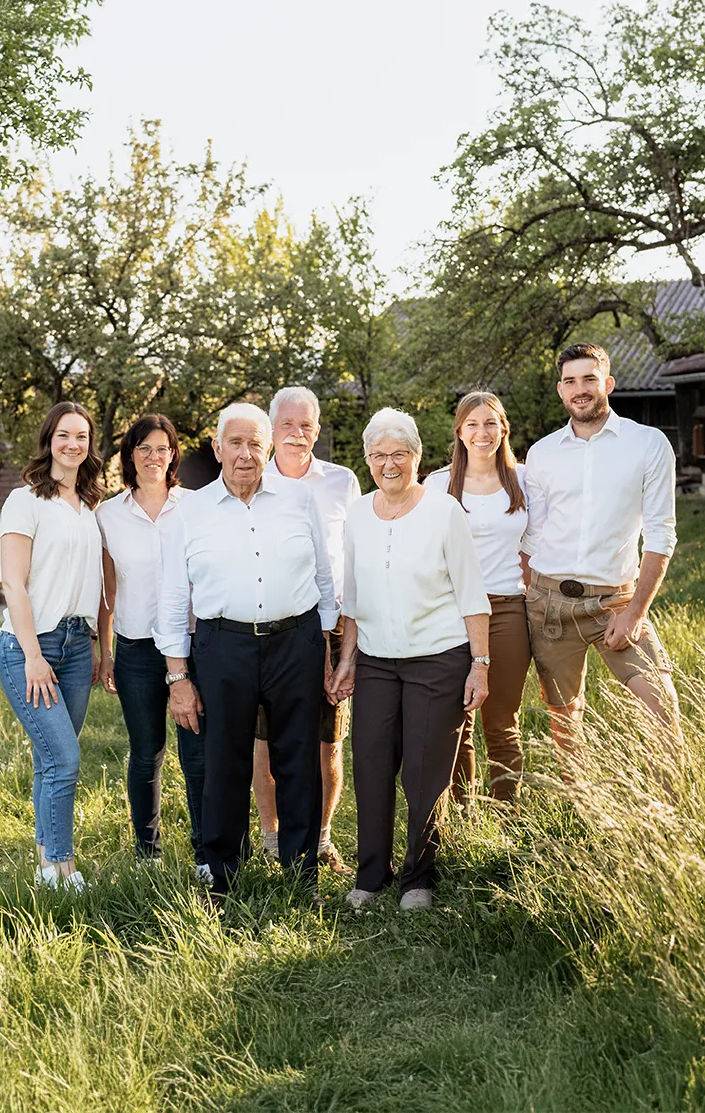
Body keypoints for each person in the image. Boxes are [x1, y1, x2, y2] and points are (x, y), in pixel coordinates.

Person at [154, 402, 338, 896]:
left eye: (255, 443)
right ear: (217, 448)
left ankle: (302, 877)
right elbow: (173, 598)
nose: (245, 453)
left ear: (269, 447)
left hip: (295, 642)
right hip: (221, 646)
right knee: (224, 762)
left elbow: (323, 577)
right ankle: (222, 877)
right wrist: (178, 677)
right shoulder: (188, 512)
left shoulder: (300, 500)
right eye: (234, 442)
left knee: (298, 760)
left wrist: (324, 645)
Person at [328, 408, 491, 912]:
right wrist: (347, 660)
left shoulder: (445, 511)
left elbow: (472, 594)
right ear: (368, 461)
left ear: (417, 458)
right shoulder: (358, 513)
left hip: (438, 661)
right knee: (372, 767)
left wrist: (479, 663)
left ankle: (419, 878)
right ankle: (371, 874)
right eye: (378, 456)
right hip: (376, 661)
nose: (389, 464)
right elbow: (352, 598)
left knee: (424, 773)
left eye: (399, 454)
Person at [520, 342, 682, 782]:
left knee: (660, 704)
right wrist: (533, 593)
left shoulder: (647, 444)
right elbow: (531, 535)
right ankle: (585, 807)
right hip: (550, 604)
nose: (580, 389)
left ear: (607, 383)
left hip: (616, 601)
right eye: (571, 381)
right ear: (560, 390)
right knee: (564, 719)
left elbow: (662, 533)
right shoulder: (542, 453)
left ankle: (666, 815)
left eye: (589, 379)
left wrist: (634, 612)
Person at [252, 386, 361, 875]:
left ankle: (320, 838)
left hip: (332, 626)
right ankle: (271, 838)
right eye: (288, 425)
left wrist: (348, 649)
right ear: (272, 431)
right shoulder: (250, 481)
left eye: (307, 425)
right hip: (269, 627)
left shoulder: (341, 482)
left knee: (327, 742)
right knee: (265, 742)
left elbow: (356, 561)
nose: (298, 434)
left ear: (318, 429)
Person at [0, 401, 103, 892]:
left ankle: (45, 863)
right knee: (65, 759)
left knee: (50, 760)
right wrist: (35, 657)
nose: (72, 444)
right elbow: (14, 586)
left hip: (78, 645)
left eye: (81, 436)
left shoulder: (90, 505)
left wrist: (100, 645)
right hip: (28, 648)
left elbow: (95, 582)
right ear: (49, 440)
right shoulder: (25, 500)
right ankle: (61, 867)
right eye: (64, 435)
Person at [96, 414, 210, 880]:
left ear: (173, 454)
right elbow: (107, 591)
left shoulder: (197, 506)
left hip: (194, 646)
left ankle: (206, 853)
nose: (153, 457)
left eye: (162, 448)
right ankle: (149, 852)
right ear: (129, 456)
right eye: (143, 448)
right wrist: (106, 653)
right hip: (137, 648)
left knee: (198, 752)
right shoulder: (108, 514)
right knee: (147, 751)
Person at [425, 392, 531, 805]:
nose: (482, 432)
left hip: (507, 608)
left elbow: (537, 544)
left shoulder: (523, 479)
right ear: (460, 432)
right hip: (451, 612)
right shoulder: (437, 484)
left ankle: (507, 816)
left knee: (502, 721)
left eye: (490, 423)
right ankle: (463, 816)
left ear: (503, 428)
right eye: (472, 424)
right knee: (457, 721)